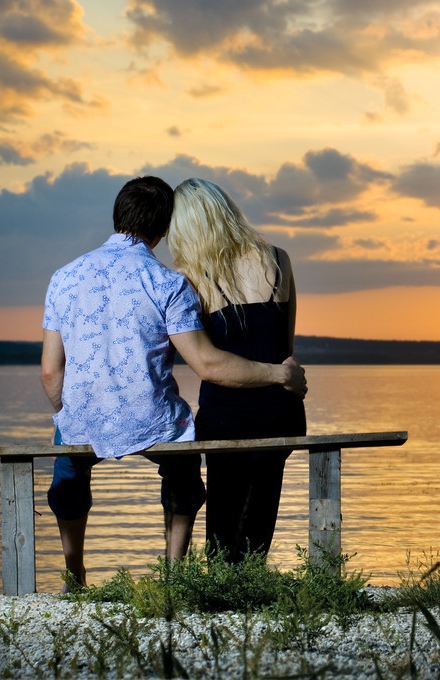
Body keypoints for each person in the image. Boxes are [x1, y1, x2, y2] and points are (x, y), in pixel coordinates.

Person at [40, 176, 306, 591]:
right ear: (163, 229)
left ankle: (75, 575)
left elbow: (51, 372)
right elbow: (230, 355)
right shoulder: (176, 281)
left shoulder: (67, 277)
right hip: (225, 414)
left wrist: (67, 414)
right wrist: (278, 374)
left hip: (125, 414)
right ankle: (175, 575)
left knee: (68, 469)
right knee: (194, 480)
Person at [167, 178, 306, 562]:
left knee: (223, 532)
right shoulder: (279, 259)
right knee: (258, 521)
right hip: (282, 413)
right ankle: (251, 594)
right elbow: (285, 350)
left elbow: (208, 364)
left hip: (226, 417)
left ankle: (224, 600)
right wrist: (278, 376)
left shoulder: (190, 279)